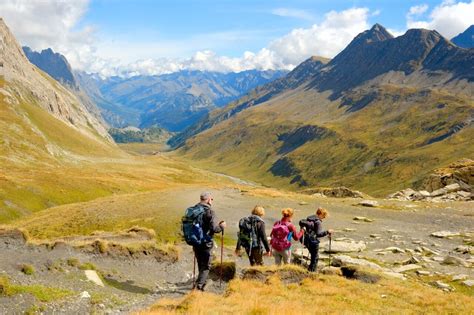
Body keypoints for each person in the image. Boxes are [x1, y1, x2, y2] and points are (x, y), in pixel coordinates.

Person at [192, 192, 226, 291]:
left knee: (200, 262)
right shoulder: (210, 212)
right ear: (208, 199)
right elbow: (215, 229)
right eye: (211, 199)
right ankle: (199, 286)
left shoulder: (193, 210)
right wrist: (222, 226)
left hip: (195, 241)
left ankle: (200, 280)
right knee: (206, 265)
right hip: (206, 242)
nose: (212, 201)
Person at [301, 207, 333, 272]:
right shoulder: (318, 222)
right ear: (321, 214)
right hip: (313, 241)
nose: (324, 217)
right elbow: (319, 234)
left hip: (305, 240)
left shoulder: (309, 218)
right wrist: (327, 231)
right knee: (315, 257)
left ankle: (310, 270)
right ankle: (312, 272)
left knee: (313, 255)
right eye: (324, 216)